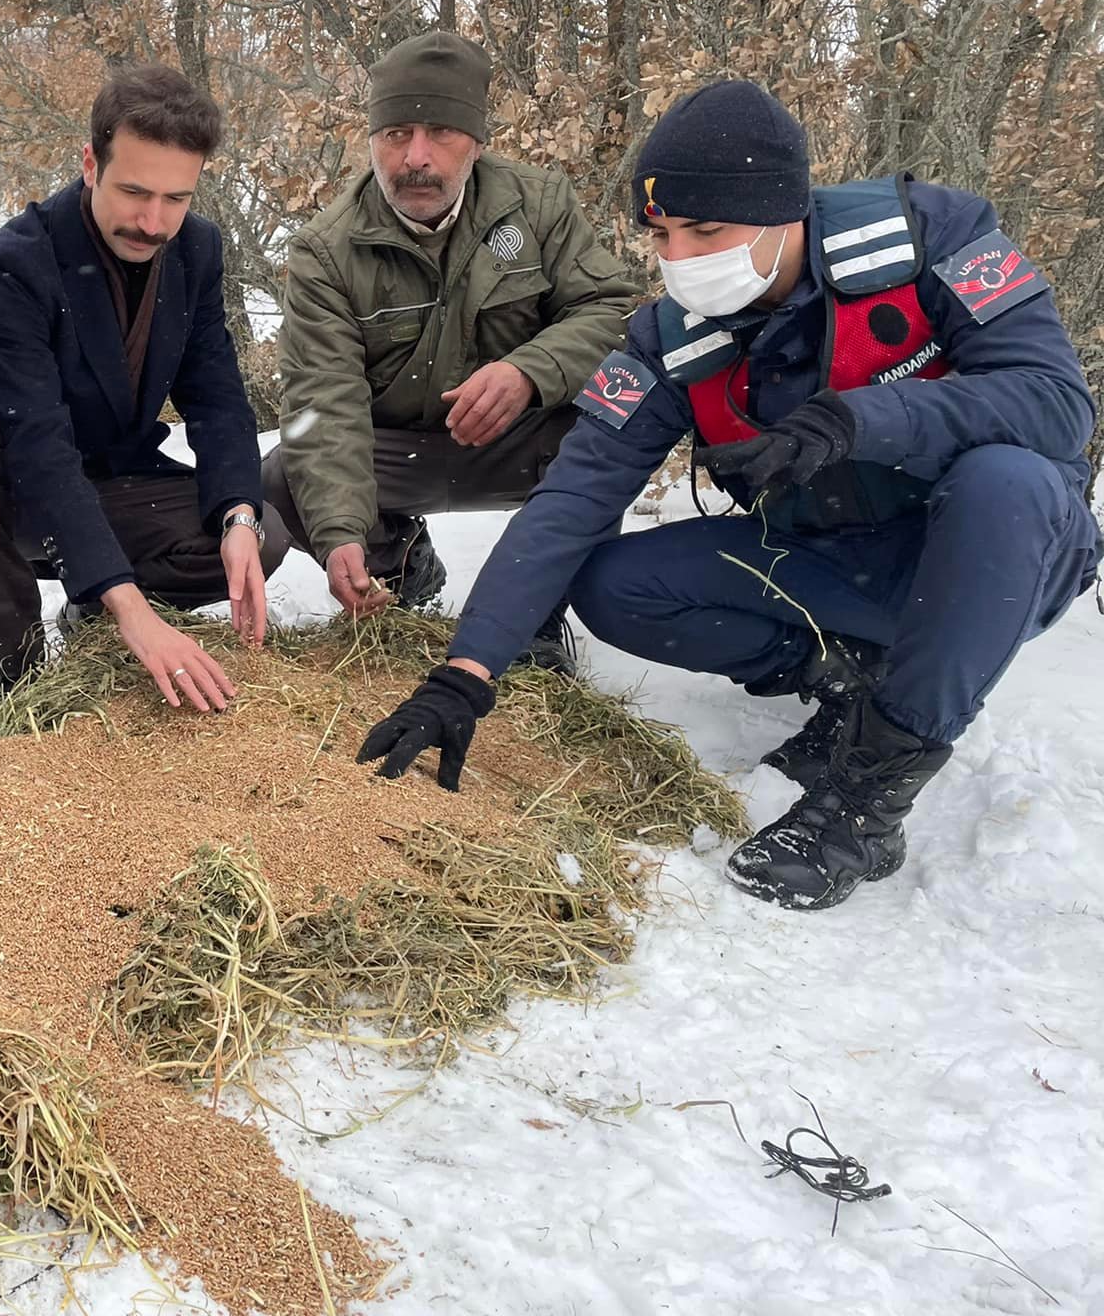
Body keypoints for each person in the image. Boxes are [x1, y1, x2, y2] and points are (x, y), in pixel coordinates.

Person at [356, 78, 1100, 911]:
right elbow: (574, 495)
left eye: (706, 229)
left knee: (1010, 477)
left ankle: (865, 801)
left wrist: (858, 419)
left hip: (995, 561)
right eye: (663, 234)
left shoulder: (931, 237)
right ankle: (850, 679)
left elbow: (1057, 406)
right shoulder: (672, 336)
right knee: (613, 582)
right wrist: (466, 671)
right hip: (838, 563)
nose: (681, 258)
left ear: (787, 211)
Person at [0, 64, 285, 706]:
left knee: (262, 531)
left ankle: (94, 608)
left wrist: (239, 516)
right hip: (16, 497)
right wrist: (136, 612)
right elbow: (38, 443)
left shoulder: (197, 249)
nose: (153, 221)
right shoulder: (16, 262)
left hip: (122, 485)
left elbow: (217, 394)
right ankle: (20, 667)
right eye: (135, 192)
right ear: (90, 163)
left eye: (176, 198)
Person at [264, 32, 636, 667]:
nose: (416, 157)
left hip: (515, 440)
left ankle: (535, 615)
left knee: (608, 430)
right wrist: (339, 537)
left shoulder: (539, 205)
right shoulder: (325, 249)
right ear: (372, 140)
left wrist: (530, 371)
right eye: (396, 134)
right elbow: (325, 404)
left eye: (440, 132)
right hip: (397, 452)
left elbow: (614, 310)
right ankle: (400, 569)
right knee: (280, 477)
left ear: (477, 140)